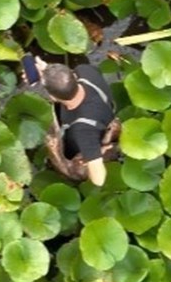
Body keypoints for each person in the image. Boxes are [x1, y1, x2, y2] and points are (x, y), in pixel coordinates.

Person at [34, 59, 120, 187]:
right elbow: (64, 80)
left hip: (87, 139)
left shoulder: (83, 131)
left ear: (53, 98)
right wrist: (48, 71)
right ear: (74, 75)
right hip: (105, 114)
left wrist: (97, 153)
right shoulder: (85, 71)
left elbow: (99, 179)